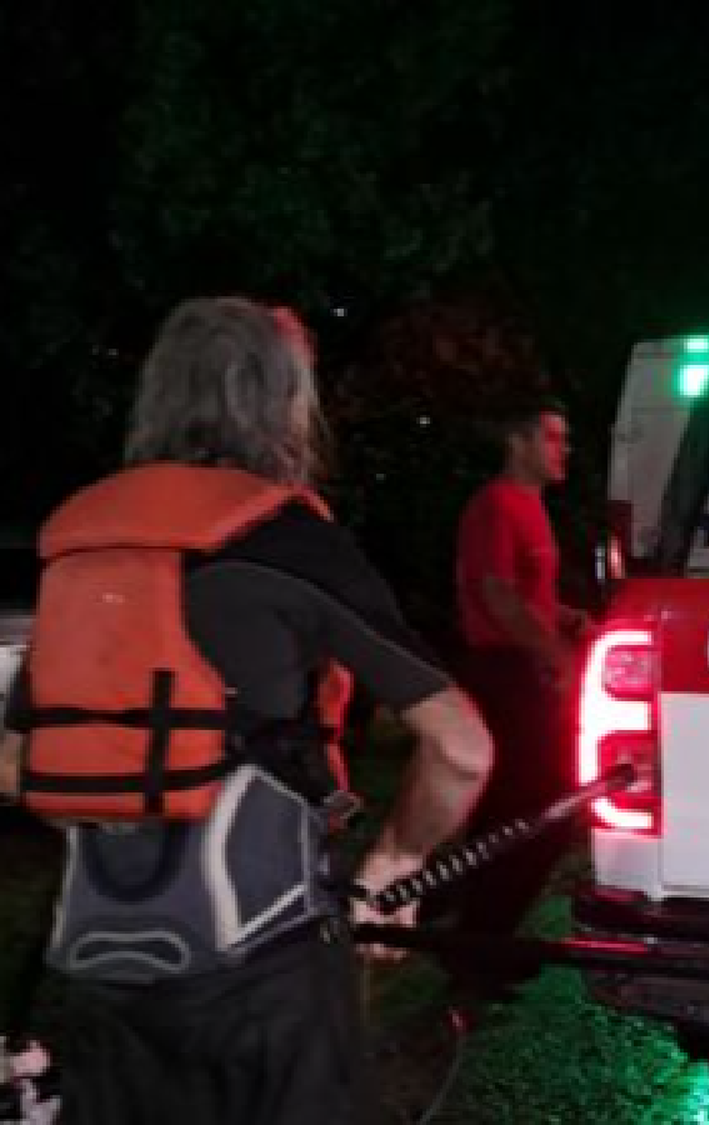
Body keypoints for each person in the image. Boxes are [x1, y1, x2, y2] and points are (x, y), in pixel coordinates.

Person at [0, 296, 494, 1125]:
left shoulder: (85, 548)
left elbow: (16, 760)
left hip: (98, 975)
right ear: (285, 403)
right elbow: (461, 747)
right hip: (268, 972)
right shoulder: (287, 541)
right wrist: (395, 858)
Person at [448, 395, 590, 944]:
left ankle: (479, 928)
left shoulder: (530, 507)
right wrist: (553, 655)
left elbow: (527, 596)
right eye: (553, 438)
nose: (564, 451)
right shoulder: (497, 505)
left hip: (523, 670)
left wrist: (567, 619)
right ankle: (481, 935)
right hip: (506, 674)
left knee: (520, 806)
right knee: (537, 809)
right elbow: (498, 596)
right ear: (519, 442)